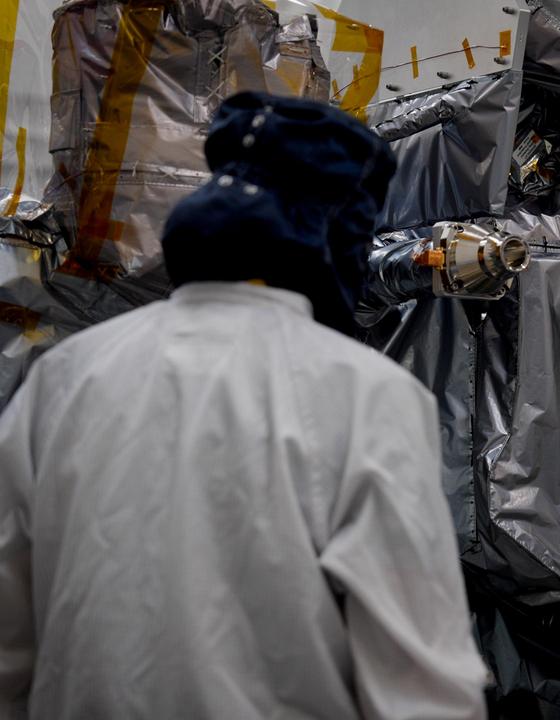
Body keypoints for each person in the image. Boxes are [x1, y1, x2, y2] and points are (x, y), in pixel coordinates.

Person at [0, 92, 488, 719]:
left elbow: (9, 645)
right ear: (338, 239)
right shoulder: (367, 396)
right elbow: (423, 693)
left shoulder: (65, 377)